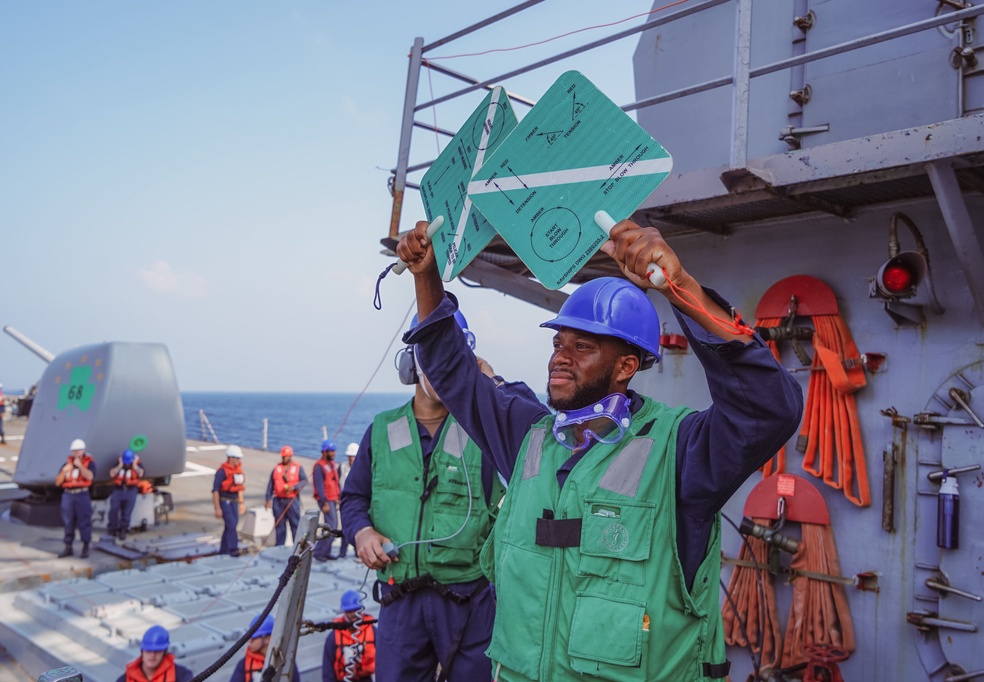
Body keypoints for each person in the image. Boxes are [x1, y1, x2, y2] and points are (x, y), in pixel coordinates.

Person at [396, 218, 804, 681]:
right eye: (558, 343)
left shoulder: (680, 452)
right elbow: (451, 370)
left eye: (582, 346)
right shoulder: (528, 436)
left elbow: (770, 409)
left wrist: (680, 287)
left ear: (626, 366)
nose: (559, 357)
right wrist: (425, 276)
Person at [341, 310, 507, 682]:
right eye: (432, 353)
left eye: (452, 354)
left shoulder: (487, 431)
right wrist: (362, 532)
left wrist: (491, 388)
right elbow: (352, 499)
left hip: (471, 602)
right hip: (401, 601)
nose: (442, 365)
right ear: (410, 364)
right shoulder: (381, 431)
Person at [322, 590, 377, 682]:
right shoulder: (333, 637)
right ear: (344, 612)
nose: (353, 614)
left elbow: (385, 661)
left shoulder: (373, 632)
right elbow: (327, 669)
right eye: (349, 611)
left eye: (356, 610)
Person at [228, 613, 301, 682]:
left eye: (254, 638)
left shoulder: (286, 662)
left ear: (267, 639)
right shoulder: (243, 665)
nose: (249, 641)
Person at [55, 438, 96, 558]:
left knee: (84, 521)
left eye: (78, 451)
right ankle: (68, 546)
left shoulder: (90, 463)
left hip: (82, 494)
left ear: (83, 451)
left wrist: (81, 467)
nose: (76, 453)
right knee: (68, 521)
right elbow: (58, 482)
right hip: (68, 495)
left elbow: (90, 477)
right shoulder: (66, 465)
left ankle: (85, 546)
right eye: (74, 451)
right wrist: (63, 471)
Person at [117, 625, 194, 682]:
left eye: (157, 651)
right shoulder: (125, 679)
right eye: (148, 650)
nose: (152, 655)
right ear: (142, 651)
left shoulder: (182, 675)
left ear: (164, 652)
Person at [265, 445, 306, 546]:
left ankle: (297, 547)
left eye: (287, 456)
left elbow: (304, 480)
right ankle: (279, 547)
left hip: (292, 501)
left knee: (295, 525)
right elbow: (271, 484)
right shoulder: (277, 468)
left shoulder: (298, 467)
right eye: (283, 456)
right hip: (278, 501)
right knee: (280, 526)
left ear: (291, 456)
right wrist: (268, 499)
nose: (285, 458)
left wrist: (295, 487)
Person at [313, 440, 347, 561]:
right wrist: (324, 502)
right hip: (326, 500)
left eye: (334, 451)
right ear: (324, 452)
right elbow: (320, 486)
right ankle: (319, 552)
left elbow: (335, 482)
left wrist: (338, 497)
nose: (334, 453)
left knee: (333, 526)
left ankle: (326, 551)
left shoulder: (332, 465)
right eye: (331, 451)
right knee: (330, 526)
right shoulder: (319, 466)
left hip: (333, 499)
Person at [213, 444, 247, 557]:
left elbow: (239, 488)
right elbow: (215, 490)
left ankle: (223, 549)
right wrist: (217, 508)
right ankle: (233, 549)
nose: (239, 460)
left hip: (234, 501)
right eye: (237, 458)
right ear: (231, 458)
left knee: (231, 525)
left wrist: (241, 503)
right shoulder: (222, 472)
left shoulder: (238, 471)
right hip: (224, 501)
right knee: (231, 524)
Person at [108, 448, 144, 540]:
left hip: (130, 491)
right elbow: (112, 474)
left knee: (127, 512)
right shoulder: (119, 464)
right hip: (118, 490)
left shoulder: (137, 465)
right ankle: (113, 528)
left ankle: (123, 530)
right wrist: (120, 465)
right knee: (114, 509)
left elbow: (141, 474)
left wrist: (135, 465)